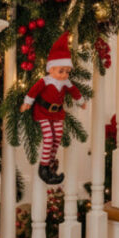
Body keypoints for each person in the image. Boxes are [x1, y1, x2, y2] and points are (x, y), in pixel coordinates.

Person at [20, 33, 83, 184]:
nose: (64, 75)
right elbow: (33, 91)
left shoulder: (66, 82)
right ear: (51, 69)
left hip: (58, 113)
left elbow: (74, 90)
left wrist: (80, 100)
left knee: (57, 137)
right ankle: (43, 167)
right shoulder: (45, 81)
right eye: (61, 71)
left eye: (67, 71)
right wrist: (27, 102)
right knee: (48, 137)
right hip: (42, 112)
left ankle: (50, 164)